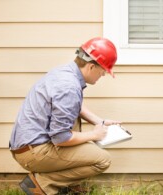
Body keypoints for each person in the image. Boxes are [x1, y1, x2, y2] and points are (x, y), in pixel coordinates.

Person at [9, 37, 121, 195]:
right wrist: (94, 135)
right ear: (90, 66)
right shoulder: (68, 87)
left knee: (79, 133)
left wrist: (99, 121)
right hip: (33, 152)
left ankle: (62, 185)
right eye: (103, 71)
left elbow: (75, 106)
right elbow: (61, 138)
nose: (103, 75)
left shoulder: (65, 72)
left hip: (29, 145)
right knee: (103, 160)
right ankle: (42, 185)